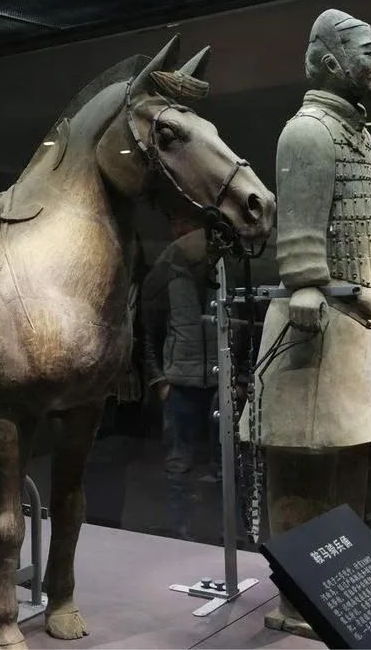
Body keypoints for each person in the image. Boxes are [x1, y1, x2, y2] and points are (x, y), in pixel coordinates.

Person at [240, 9, 371, 638]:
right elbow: (302, 231)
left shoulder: (356, 132)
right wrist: (306, 282)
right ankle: (297, 599)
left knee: (352, 457)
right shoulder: (307, 132)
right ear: (331, 61)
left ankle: (345, 579)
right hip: (317, 322)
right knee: (305, 465)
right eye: (369, 52)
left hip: (357, 313)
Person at [141, 215, 218, 540]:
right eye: (175, 226)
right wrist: (160, 382)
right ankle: (179, 531)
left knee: (226, 464)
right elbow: (148, 334)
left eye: (186, 225)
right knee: (178, 464)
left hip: (220, 383)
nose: (179, 231)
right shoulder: (165, 274)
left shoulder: (222, 270)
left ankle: (227, 534)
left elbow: (245, 326)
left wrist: (239, 379)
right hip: (179, 387)